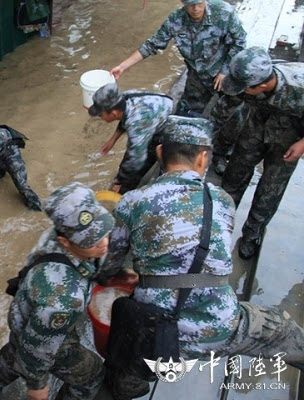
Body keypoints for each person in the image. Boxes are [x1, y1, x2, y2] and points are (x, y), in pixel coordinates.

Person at [101, 116, 304, 400]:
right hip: (221, 327)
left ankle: (126, 385)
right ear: (203, 158)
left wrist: (127, 274)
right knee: (281, 327)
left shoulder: (132, 201)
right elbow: (212, 255)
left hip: (154, 333)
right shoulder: (222, 199)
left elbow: (112, 263)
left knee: (124, 360)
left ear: (160, 153)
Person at [0, 182, 116, 400]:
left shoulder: (55, 237)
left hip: (24, 319)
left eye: (104, 230)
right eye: (92, 240)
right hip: (44, 334)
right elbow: (37, 348)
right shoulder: (63, 299)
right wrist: (37, 385)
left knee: (9, 359)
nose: (104, 243)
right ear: (65, 242)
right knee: (93, 375)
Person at [211, 47, 304, 259]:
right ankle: (220, 222)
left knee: (270, 189)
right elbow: (224, 107)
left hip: (289, 139)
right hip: (256, 128)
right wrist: (204, 139)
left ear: (262, 85)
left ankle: (252, 234)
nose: (241, 92)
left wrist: (302, 144)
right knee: (234, 174)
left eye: (245, 90)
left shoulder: (299, 86)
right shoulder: (246, 81)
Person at [110, 0, 246, 115]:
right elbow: (151, 45)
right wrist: (122, 66)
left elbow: (240, 42)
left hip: (226, 72)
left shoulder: (224, 12)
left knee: (230, 113)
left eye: (199, 2)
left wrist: (225, 70)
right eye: (190, 4)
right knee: (185, 113)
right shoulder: (175, 20)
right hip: (197, 76)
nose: (196, 9)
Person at [88, 82, 174, 193]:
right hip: (160, 110)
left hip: (169, 124)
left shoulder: (137, 122)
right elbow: (124, 118)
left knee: (139, 164)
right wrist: (113, 139)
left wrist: (119, 182)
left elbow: (136, 159)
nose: (101, 118)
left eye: (101, 115)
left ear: (114, 113)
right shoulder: (125, 98)